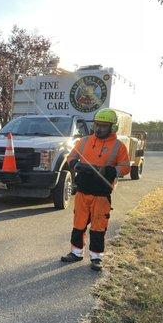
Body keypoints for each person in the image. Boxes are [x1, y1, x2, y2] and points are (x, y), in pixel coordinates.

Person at [60, 108, 131, 270]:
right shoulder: (84, 141)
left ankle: (96, 258)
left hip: (102, 194)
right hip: (83, 192)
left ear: (112, 127)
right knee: (78, 224)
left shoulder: (118, 146)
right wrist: (76, 165)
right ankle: (76, 253)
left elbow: (125, 167)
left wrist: (110, 171)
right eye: (97, 125)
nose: (98, 129)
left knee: (99, 226)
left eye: (103, 126)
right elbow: (71, 156)